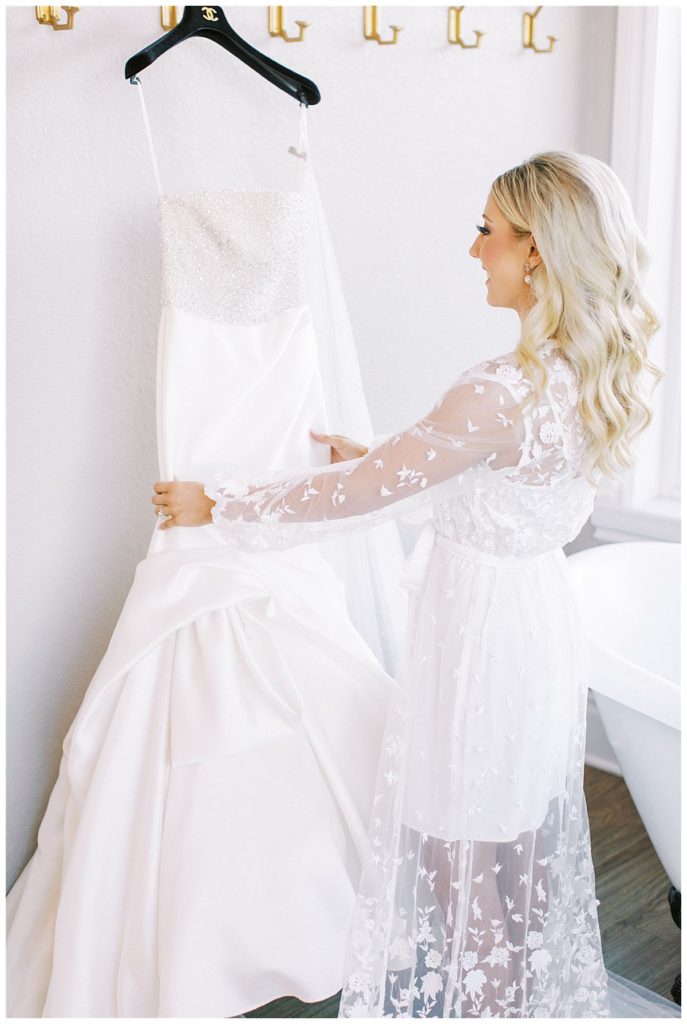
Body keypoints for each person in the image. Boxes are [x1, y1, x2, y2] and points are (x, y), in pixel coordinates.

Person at [151, 152, 666, 1017]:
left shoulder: (499, 389)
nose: (474, 253)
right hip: (534, 624)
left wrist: (219, 503)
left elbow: (355, 494)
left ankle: (493, 1006)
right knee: (507, 852)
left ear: (535, 251)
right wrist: (399, 465)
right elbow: (494, 487)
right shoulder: (584, 374)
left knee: (458, 864)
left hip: (477, 647)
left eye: (487, 232)